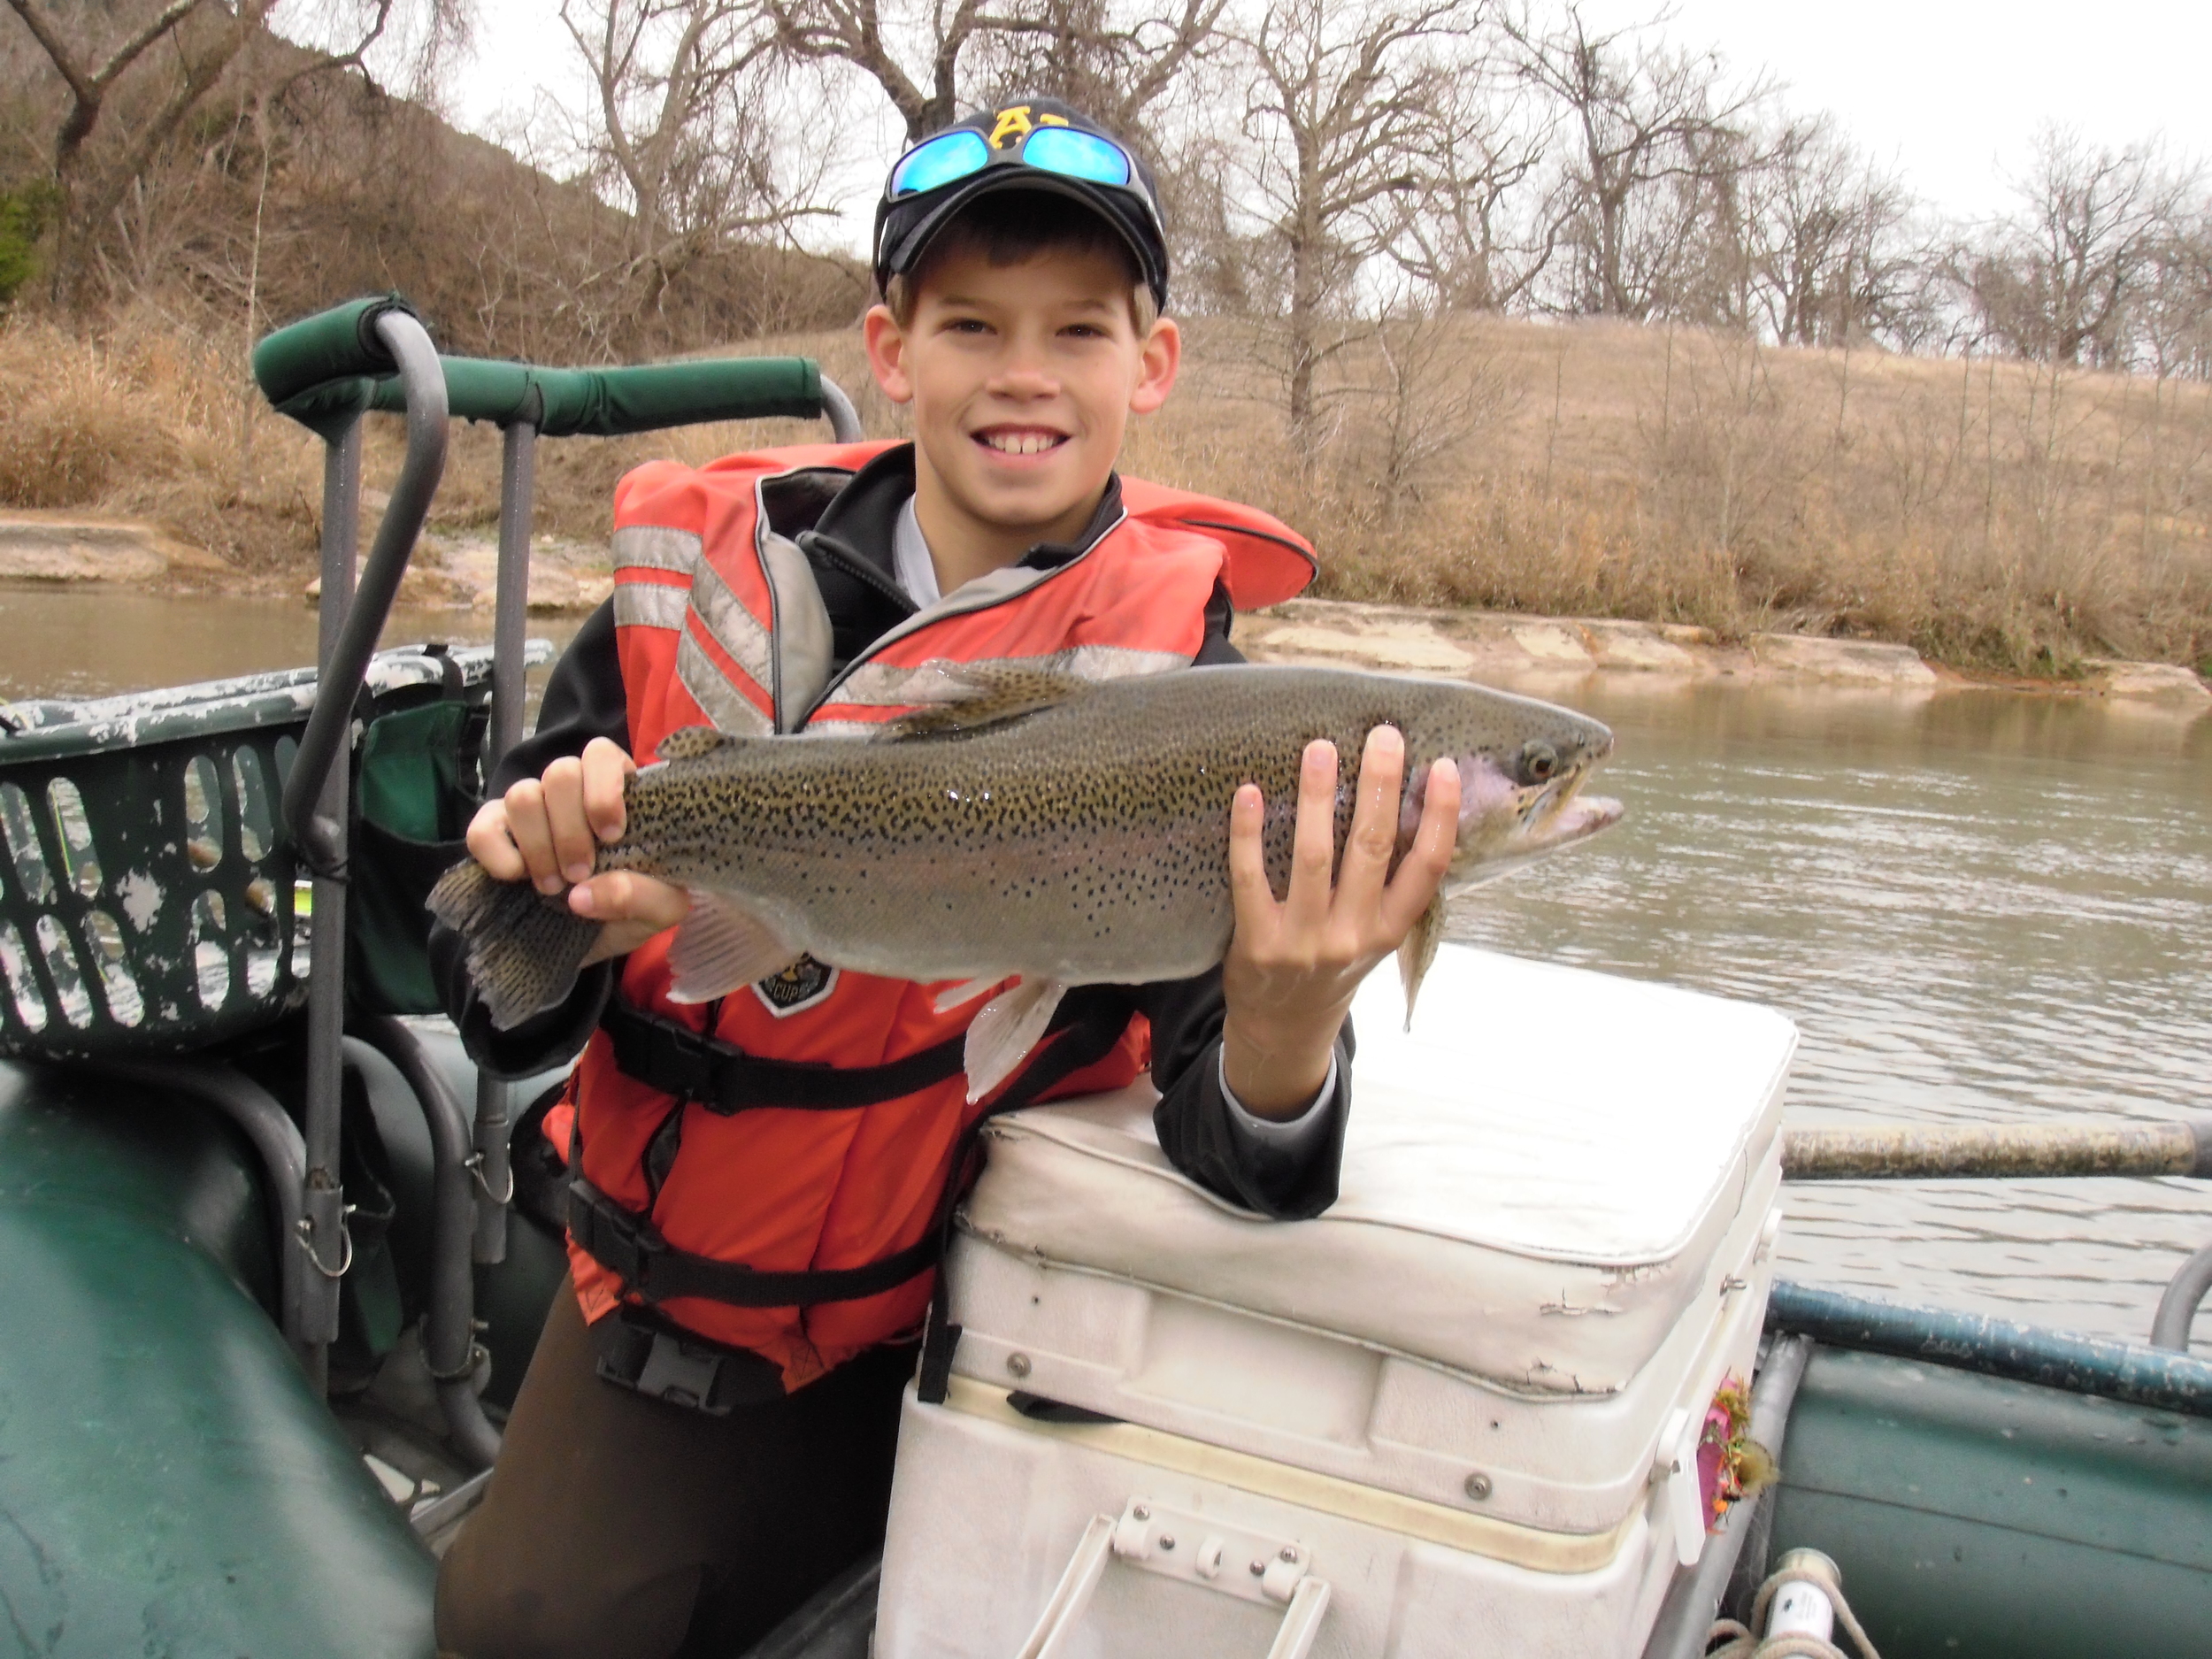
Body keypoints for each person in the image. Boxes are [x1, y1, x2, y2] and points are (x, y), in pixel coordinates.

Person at [431, 96, 1460, 1659]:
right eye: (971, 323)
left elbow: (1246, 1156)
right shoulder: (696, 575)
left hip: (964, 1315)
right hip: (667, 1296)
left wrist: (1290, 1017)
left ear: (1152, 365)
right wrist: (558, 900)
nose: (1026, 372)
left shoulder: (1203, 693)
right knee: (522, 1630)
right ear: (892, 350)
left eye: (1079, 330)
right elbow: (488, 1001)